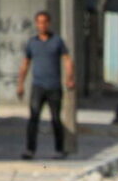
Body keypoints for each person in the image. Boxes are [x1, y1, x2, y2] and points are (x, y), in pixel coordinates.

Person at [17, 10, 75, 160]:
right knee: (33, 117)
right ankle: (30, 149)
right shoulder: (32, 43)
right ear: (36, 24)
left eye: (45, 22)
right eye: (39, 22)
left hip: (54, 86)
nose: (42, 25)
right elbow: (25, 63)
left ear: (48, 23)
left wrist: (69, 78)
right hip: (38, 86)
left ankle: (59, 149)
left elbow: (67, 60)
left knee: (55, 118)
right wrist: (20, 84)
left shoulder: (57, 41)